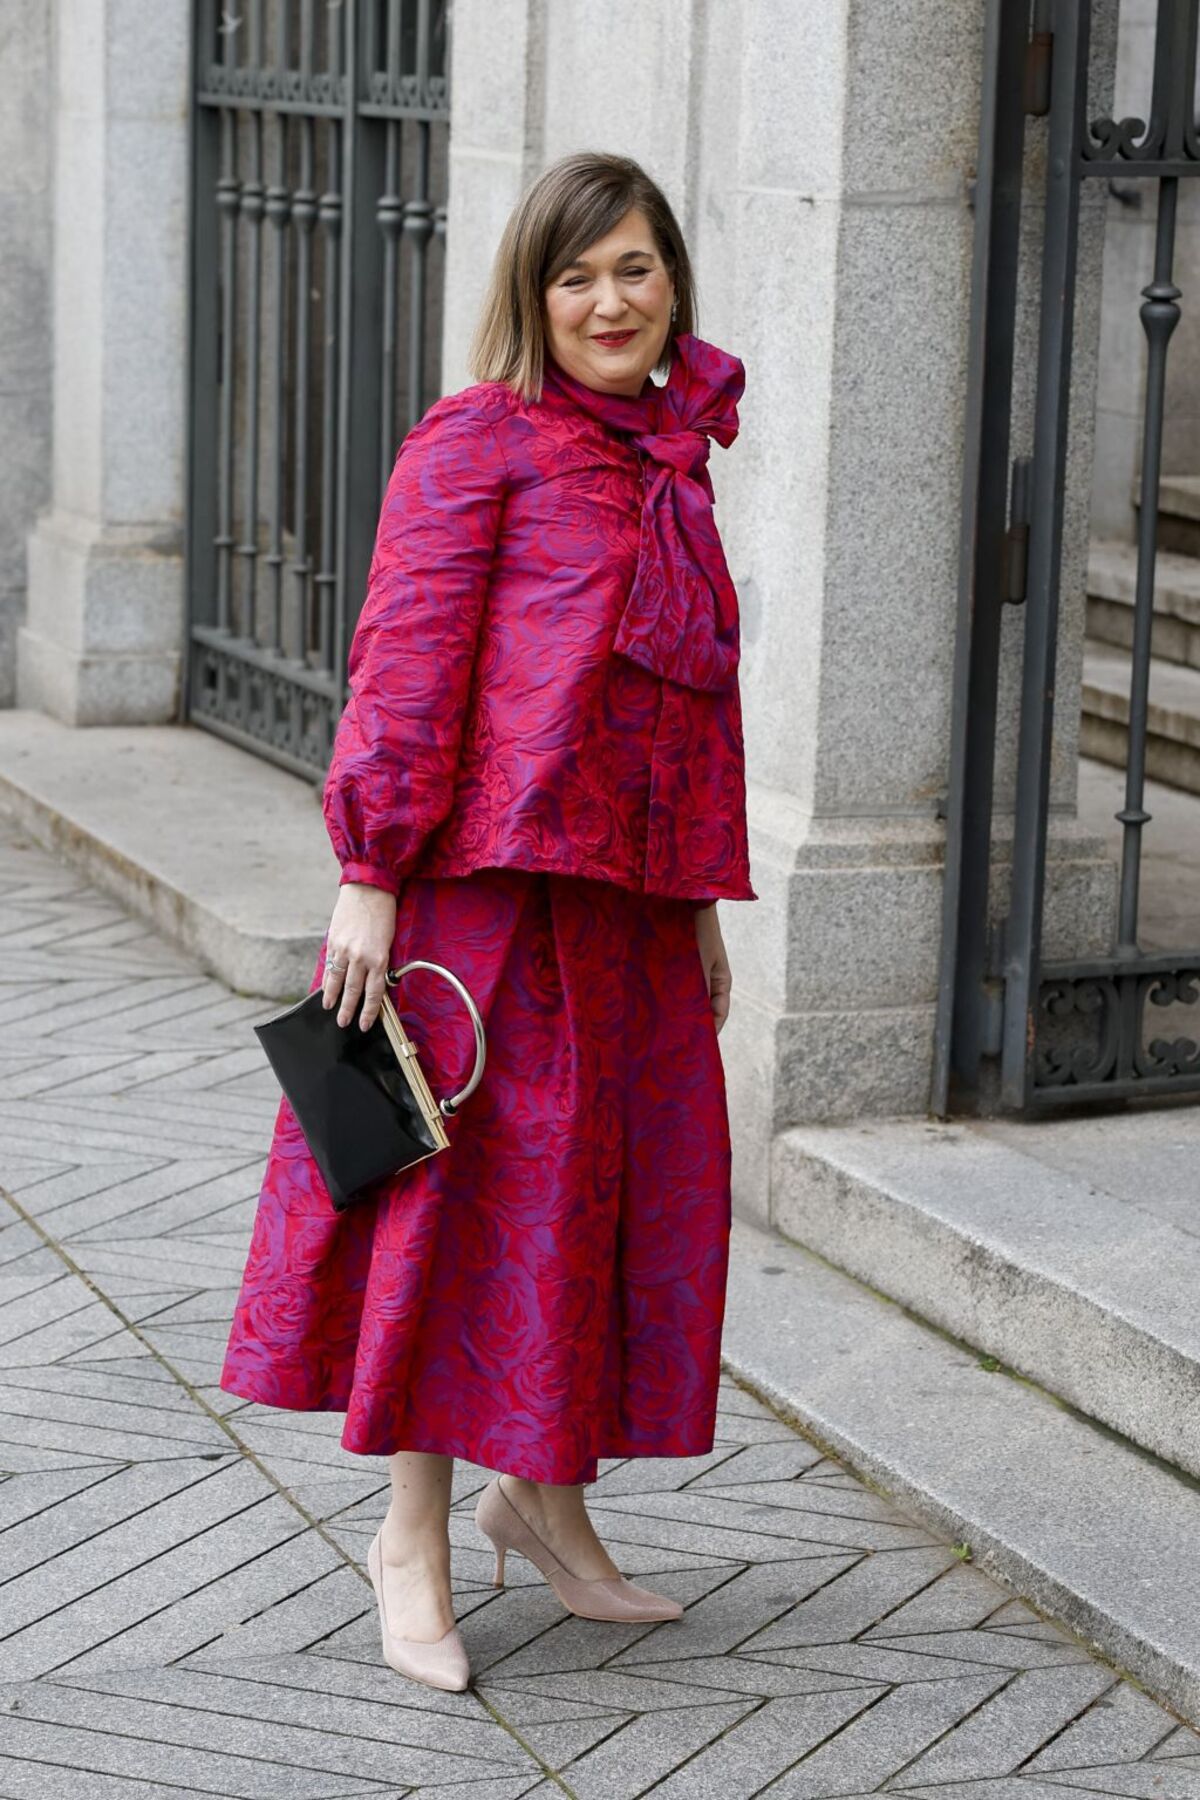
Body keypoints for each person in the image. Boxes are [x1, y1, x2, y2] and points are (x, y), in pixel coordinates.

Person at [218, 148, 756, 1693]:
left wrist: (702, 902)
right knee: (455, 1215)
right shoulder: (479, 443)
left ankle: (548, 1503)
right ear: (532, 292)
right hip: (488, 900)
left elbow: (699, 705)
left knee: (587, 1213)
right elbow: (404, 657)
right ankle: (412, 1537)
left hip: (631, 915)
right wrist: (369, 874)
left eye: (635, 269)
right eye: (576, 274)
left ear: (674, 287)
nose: (609, 300)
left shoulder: (672, 459)